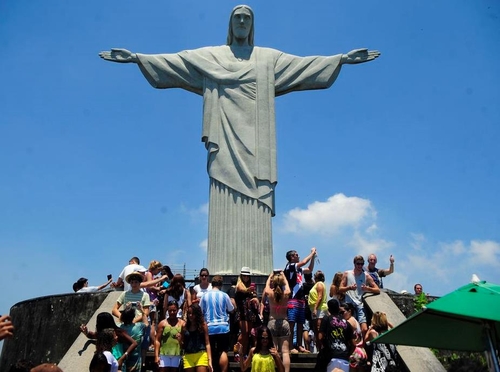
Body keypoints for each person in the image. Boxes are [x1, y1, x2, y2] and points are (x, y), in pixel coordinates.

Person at [99, 5, 380, 276]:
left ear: (252, 25)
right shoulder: (212, 57)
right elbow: (177, 62)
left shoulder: (268, 59)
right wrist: (137, 58)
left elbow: (304, 66)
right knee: (222, 188)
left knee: (258, 192)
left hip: (258, 143)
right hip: (224, 136)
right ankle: (225, 262)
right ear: (230, 25)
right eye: (238, 18)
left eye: (247, 18)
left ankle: (256, 264)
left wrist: (340, 59)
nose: (242, 22)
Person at [283, 247, 316, 353]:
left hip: (301, 299)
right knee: (292, 323)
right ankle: (291, 346)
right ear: (292, 257)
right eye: (296, 255)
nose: (298, 256)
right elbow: (304, 262)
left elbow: (309, 269)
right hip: (292, 299)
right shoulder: (290, 266)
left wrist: (313, 258)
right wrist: (311, 253)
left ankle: (299, 345)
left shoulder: (298, 269)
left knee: (300, 323)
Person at [200, 275, 234, 372]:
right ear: (221, 284)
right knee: (223, 350)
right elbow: (231, 309)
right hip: (223, 326)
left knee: (210, 349)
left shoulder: (205, 296)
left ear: (212, 284)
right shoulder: (224, 295)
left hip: (209, 327)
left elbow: (200, 311)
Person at [340, 255, 380, 337]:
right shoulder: (347, 274)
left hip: (360, 303)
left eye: (362, 264)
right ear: (354, 264)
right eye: (358, 264)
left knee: (364, 329)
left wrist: (367, 288)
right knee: (349, 327)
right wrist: (349, 288)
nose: (360, 266)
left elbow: (377, 289)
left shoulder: (366, 275)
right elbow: (340, 288)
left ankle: (364, 345)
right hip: (349, 303)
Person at [315, 299, 355, 372]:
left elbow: (320, 337)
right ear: (338, 308)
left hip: (331, 356)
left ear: (329, 309)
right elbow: (353, 344)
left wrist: (323, 348)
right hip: (344, 358)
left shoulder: (326, 319)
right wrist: (347, 354)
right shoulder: (347, 323)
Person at [263, 270, 291, 372]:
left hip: (272, 321)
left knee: (273, 351)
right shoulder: (286, 293)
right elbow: (287, 286)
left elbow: (266, 288)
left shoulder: (270, 293)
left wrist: (270, 276)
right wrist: (284, 276)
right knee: (285, 352)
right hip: (284, 322)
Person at [180, 304, 212, 372]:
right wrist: (179, 340)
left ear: (197, 314)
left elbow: (207, 343)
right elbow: (182, 344)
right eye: (189, 313)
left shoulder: (203, 325)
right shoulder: (184, 326)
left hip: (201, 354)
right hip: (188, 355)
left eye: (193, 313)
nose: (190, 315)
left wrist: (210, 361)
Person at [155, 300, 185, 372]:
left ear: (177, 310)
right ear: (167, 311)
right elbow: (157, 340)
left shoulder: (182, 324)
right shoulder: (162, 324)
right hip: (164, 353)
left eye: (174, 310)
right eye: (170, 310)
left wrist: (180, 339)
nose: (172, 312)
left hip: (177, 353)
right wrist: (156, 356)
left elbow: (185, 342)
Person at [120, 305, 146, 371]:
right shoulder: (139, 326)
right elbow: (146, 323)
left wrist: (126, 309)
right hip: (136, 359)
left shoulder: (119, 328)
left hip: (123, 357)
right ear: (134, 316)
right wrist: (142, 310)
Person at [235, 266, 253, 356]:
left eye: (247, 276)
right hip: (242, 311)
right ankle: (236, 351)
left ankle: (244, 353)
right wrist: (248, 290)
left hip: (249, 311)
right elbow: (240, 289)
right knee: (244, 332)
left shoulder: (249, 285)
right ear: (241, 276)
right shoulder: (239, 284)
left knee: (248, 333)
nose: (246, 277)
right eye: (244, 276)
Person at [307, 270, 328, 350]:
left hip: (319, 309)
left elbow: (320, 296)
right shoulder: (315, 285)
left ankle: (322, 348)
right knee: (316, 330)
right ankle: (319, 348)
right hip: (314, 309)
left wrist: (315, 308)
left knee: (319, 329)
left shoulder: (319, 284)